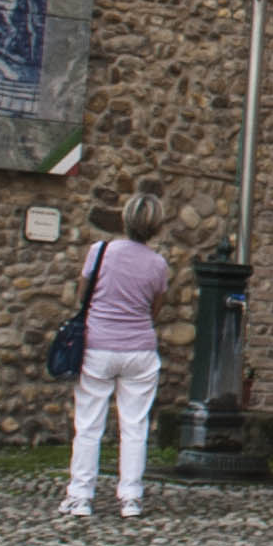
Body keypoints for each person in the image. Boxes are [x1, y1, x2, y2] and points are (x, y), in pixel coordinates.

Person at [65, 194, 175, 520]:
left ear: (124, 219)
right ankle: (130, 497)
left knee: (88, 424)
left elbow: (83, 294)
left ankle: (80, 495)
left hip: (99, 345)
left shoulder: (100, 253)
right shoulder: (158, 265)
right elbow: (155, 308)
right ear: (156, 227)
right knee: (134, 426)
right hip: (139, 349)